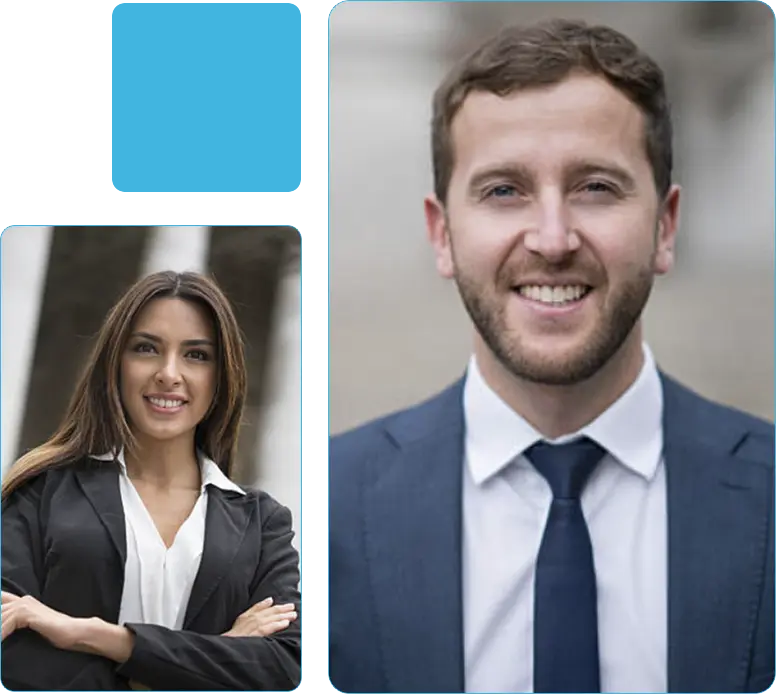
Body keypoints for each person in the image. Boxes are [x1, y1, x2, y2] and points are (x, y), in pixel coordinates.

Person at [330, 18, 774, 694]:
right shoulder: (318, 514)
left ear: (665, 227)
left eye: (596, 186)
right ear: (442, 236)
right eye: (504, 190)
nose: (553, 238)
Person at [2, 270, 301, 691]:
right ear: (115, 363)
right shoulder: (39, 493)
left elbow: (284, 665)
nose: (169, 373)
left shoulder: (263, 522)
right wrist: (212, 654)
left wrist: (99, 637)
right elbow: (10, 656)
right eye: (146, 349)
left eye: (196, 355)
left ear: (221, 376)